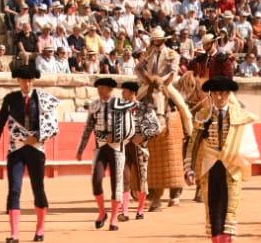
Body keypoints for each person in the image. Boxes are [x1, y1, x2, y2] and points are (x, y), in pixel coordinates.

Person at [185, 75, 256, 243]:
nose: (219, 96)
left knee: (229, 214)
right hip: (209, 169)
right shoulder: (202, 115)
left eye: (223, 92)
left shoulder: (240, 116)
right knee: (214, 216)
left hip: (232, 168)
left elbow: (247, 145)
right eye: (215, 93)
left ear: (229, 94)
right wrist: (188, 168)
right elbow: (192, 145)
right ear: (211, 94)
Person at [0, 63, 55, 243]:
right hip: (16, 149)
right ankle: (14, 234)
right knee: (14, 189)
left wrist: (39, 137)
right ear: (18, 81)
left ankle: (40, 229)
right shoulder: (10, 99)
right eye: (23, 80)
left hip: (36, 149)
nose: (26, 83)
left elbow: (51, 123)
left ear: (32, 81)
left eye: (29, 80)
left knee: (38, 188)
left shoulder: (42, 99)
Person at [138, 28, 191, 211]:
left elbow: (173, 72)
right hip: (149, 85)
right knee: (132, 103)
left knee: (183, 107)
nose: (155, 43)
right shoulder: (147, 53)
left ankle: (189, 131)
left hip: (166, 86)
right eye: (154, 40)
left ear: (163, 40)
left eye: (158, 40)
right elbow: (138, 68)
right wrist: (148, 79)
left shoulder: (171, 53)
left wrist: (162, 83)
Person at [77, 76, 126, 230]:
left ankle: (113, 219)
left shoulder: (120, 105)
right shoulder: (94, 105)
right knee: (96, 180)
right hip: (101, 148)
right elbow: (88, 128)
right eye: (98, 88)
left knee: (116, 183)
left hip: (117, 148)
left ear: (109, 89)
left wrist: (117, 136)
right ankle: (102, 212)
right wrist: (81, 149)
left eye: (102, 88)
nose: (99, 91)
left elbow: (128, 128)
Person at [117, 80, 162, 222]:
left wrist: (143, 136)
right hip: (124, 146)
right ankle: (124, 211)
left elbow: (157, 128)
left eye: (124, 91)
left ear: (132, 93)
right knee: (124, 178)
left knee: (142, 178)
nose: (122, 94)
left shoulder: (145, 108)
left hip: (140, 148)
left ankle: (140, 210)